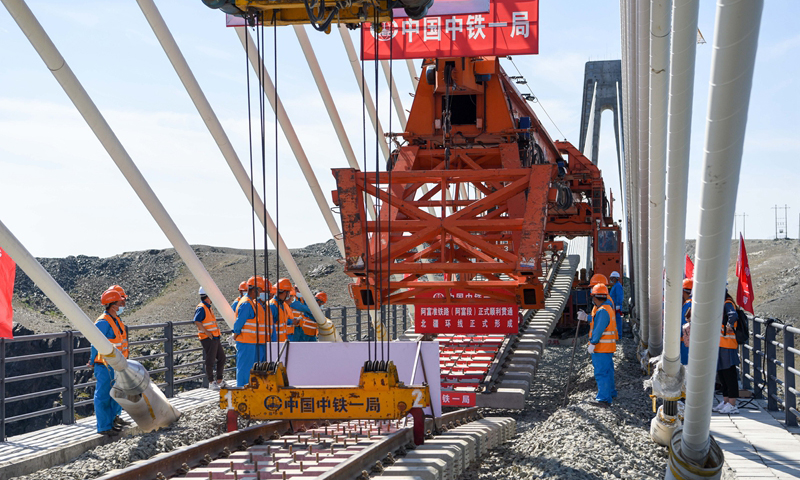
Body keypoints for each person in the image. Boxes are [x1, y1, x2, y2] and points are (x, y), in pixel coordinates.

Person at [89, 288, 129, 436]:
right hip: (105, 365)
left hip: (116, 365)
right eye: (120, 303)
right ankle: (104, 427)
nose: (122, 306)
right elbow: (95, 342)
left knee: (116, 394)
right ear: (113, 306)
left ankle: (111, 422)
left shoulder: (115, 320)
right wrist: (92, 360)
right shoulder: (103, 322)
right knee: (103, 396)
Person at [577, 283, 618, 407]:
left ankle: (604, 399)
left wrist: (593, 343)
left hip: (601, 348)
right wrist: (587, 317)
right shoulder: (607, 308)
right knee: (608, 371)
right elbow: (598, 321)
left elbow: (599, 329)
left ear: (595, 297)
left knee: (601, 372)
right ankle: (610, 392)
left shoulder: (602, 311)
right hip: (607, 348)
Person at [233, 276, 269, 387]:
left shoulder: (250, 302)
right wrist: (236, 334)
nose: (261, 293)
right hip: (245, 342)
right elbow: (239, 323)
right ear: (254, 289)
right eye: (260, 290)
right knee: (244, 368)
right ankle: (241, 390)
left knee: (249, 368)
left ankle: (246, 390)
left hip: (250, 342)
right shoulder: (246, 303)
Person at [194, 286, 226, 390]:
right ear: (207, 296)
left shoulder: (208, 307)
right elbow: (197, 321)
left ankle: (219, 381)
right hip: (208, 338)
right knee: (210, 360)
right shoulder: (201, 307)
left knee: (221, 357)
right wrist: (207, 332)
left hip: (215, 337)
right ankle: (211, 382)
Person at [714, 291, 741, 414]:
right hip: (721, 344)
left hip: (728, 345)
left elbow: (733, 315)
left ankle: (732, 404)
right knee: (723, 374)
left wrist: (729, 325)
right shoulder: (722, 303)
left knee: (729, 374)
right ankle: (725, 401)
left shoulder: (727, 303)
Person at [269, 278, 295, 343]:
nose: (288, 295)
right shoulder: (273, 306)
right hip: (275, 343)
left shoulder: (282, 305)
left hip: (281, 342)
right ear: (282, 291)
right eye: (288, 292)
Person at [680, 278, 693, 365]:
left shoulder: (688, 304)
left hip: (685, 341)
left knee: (685, 366)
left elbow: (682, 323)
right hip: (693, 340)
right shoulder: (696, 303)